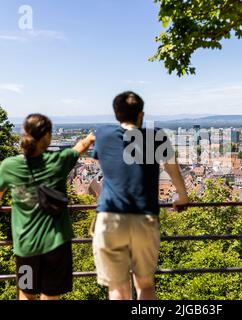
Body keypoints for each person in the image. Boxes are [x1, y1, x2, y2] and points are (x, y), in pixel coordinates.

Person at [0, 114, 95, 300]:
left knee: (26, 293)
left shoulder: (9, 165)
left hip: (26, 245)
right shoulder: (59, 160)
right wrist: (90, 137)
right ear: (48, 137)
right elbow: (80, 147)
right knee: (50, 295)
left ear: (24, 133)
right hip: (56, 243)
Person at [92, 91, 189, 300]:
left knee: (117, 288)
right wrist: (182, 198)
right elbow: (173, 171)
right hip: (144, 216)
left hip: (110, 216)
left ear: (116, 113)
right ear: (141, 114)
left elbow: (107, 166)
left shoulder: (102, 134)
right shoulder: (157, 136)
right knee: (145, 286)